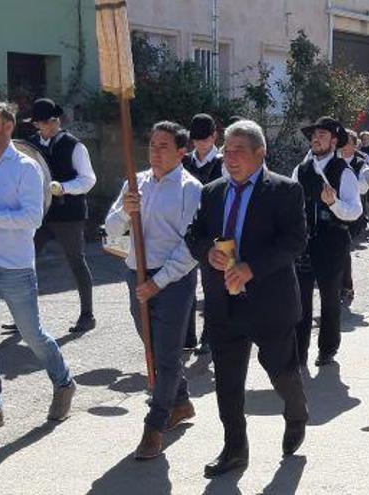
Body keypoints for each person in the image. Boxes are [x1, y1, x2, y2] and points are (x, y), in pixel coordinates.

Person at [185, 119, 308, 477]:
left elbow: (294, 241)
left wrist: (252, 267)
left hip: (270, 303)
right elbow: (195, 234)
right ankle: (235, 449)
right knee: (227, 380)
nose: (230, 157)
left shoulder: (285, 191)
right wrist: (207, 251)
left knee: (281, 372)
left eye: (239, 150)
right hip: (225, 303)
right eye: (227, 150)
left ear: (260, 154)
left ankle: (297, 411)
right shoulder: (212, 192)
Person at [0, 101, 75, 435]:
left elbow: (32, 219)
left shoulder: (26, 168)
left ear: (8, 127)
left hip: (14, 267)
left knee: (33, 336)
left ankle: (64, 382)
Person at [104, 121, 202, 459]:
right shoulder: (136, 182)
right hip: (136, 270)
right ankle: (181, 402)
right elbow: (111, 229)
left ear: (181, 151)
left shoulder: (191, 189)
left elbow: (191, 248)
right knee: (157, 347)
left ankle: (154, 426)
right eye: (152, 145)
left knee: (167, 355)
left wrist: (157, 283)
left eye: (164, 146)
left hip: (173, 279)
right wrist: (125, 211)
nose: (156, 152)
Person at [292, 117, 363, 367]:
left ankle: (328, 349)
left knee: (330, 298)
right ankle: (299, 351)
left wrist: (333, 204)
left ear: (334, 141)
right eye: (314, 134)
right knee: (300, 300)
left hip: (332, 241)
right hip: (304, 243)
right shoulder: (301, 169)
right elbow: (292, 204)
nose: (316, 138)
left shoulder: (343, 172)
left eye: (322, 134)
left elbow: (355, 211)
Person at [26, 98, 97, 333]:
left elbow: (88, 179)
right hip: (40, 214)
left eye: (50, 121)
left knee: (76, 261)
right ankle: (23, 316)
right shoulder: (31, 145)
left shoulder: (74, 145)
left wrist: (64, 187)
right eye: (42, 123)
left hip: (69, 214)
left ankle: (87, 315)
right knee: (25, 262)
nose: (46, 126)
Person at [180, 113, 225, 355]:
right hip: (188, 230)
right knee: (184, 282)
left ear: (214, 136)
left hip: (214, 230)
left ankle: (210, 336)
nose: (200, 145)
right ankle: (187, 335)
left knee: (212, 288)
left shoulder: (223, 162)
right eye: (195, 140)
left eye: (204, 140)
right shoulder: (185, 161)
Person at [340, 130, 369, 305]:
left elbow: (367, 186)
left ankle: (345, 286)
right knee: (338, 251)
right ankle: (340, 286)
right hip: (332, 211)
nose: (342, 145)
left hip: (352, 215)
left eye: (346, 142)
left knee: (341, 249)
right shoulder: (332, 162)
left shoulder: (360, 163)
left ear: (354, 145)